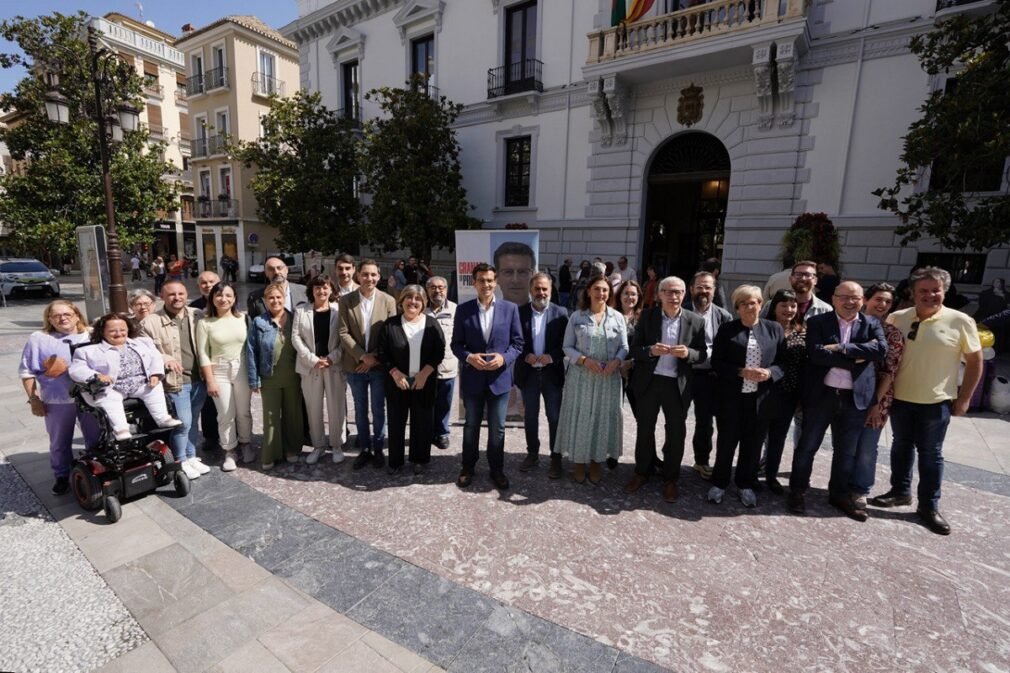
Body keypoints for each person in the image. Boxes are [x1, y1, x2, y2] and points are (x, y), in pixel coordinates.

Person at [868, 266, 983, 535]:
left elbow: (976, 362)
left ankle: (928, 506)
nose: (930, 295)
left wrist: (964, 398)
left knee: (931, 454)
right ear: (912, 292)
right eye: (923, 291)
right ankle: (900, 491)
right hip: (901, 398)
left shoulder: (960, 321)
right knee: (900, 446)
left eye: (936, 290)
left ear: (944, 291)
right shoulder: (897, 318)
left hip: (937, 401)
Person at [786, 282, 887, 519]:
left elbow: (881, 351)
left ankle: (839, 494)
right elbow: (817, 355)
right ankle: (798, 491)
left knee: (846, 451)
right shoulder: (818, 322)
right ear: (833, 298)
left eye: (856, 297)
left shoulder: (872, 323)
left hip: (855, 399)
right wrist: (858, 356)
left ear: (862, 300)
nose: (850, 302)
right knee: (807, 446)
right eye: (845, 297)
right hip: (822, 396)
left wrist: (841, 348)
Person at [624, 276, 707, 501]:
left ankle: (670, 478)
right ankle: (642, 471)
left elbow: (702, 354)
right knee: (644, 429)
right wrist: (651, 350)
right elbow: (634, 350)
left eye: (679, 292)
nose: (674, 296)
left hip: (677, 385)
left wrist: (688, 353)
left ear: (685, 294)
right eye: (669, 292)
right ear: (659, 295)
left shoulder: (695, 321)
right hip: (650, 382)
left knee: (676, 432)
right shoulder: (648, 317)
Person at [708, 286, 784, 507]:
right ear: (737, 307)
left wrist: (770, 373)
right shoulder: (727, 330)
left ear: (761, 304)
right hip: (732, 398)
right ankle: (720, 483)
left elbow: (784, 362)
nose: (750, 307)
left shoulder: (774, 329)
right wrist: (740, 372)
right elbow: (717, 363)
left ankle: (745, 484)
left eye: (754, 302)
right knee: (726, 443)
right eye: (744, 304)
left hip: (761, 399)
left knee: (753, 445)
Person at [450, 263, 524, 489]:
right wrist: (469, 357)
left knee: (497, 428)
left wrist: (504, 358)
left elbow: (518, 343)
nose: (486, 284)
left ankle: (496, 469)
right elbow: (456, 344)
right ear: (474, 283)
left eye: (490, 280)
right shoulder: (463, 310)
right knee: (471, 425)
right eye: (481, 280)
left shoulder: (510, 309)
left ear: (496, 282)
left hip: (499, 380)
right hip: (473, 378)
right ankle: (468, 466)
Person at [19, 301, 101, 495]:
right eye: (56, 315)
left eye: (67, 314)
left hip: (91, 397)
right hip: (57, 400)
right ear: (49, 319)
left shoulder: (91, 334)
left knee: (96, 437)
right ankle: (62, 475)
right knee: (59, 441)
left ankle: (94, 471)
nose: (62, 318)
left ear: (76, 315)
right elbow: (26, 371)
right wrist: (34, 399)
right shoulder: (38, 338)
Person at [556, 275, 627, 484]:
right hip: (582, 377)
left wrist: (617, 361)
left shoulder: (617, 317)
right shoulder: (577, 317)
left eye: (605, 290)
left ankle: (596, 462)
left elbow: (624, 346)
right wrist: (584, 360)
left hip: (608, 378)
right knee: (582, 418)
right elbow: (566, 346)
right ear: (588, 291)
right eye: (597, 289)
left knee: (601, 419)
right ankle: (579, 462)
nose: (601, 293)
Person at [69, 314, 181, 441]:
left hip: (139, 383)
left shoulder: (142, 343)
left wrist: (155, 373)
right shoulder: (87, 351)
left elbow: (155, 357)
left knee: (154, 388)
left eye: (122, 330)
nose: (118, 333)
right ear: (102, 332)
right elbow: (76, 370)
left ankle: (163, 418)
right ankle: (121, 429)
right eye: (112, 331)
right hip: (110, 387)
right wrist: (97, 376)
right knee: (110, 398)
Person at [142, 281, 210, 481]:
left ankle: (191, 456)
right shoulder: (150, 322)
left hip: (199, 379)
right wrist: (165, 359)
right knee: (182, 424)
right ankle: (179, 461)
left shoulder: (197, 314)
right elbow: (145, 352)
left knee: (193, 420)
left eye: (181, 293)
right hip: (176, 381)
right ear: (162, 296)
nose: (177, 297)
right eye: (171, 294)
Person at [377, 285, 445, 474]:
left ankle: (420, 460)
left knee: (422, 422)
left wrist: (424, 374)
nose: (413, 302)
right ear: (401, 301)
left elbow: (439, 352)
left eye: (417, 299)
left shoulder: (431, 324)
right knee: (396, 422)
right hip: (397, 382)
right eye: (409, 297)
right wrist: (395, 373)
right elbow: (383, 353)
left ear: (423, 303)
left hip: (425, 381)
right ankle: (396, 462)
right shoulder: (390, 325)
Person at [339, 259, 397, 469]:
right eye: (365, 274)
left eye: (373, 274)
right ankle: (365, 448)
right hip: (355, 365)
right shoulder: (346, 301)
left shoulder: (389, 301)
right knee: (360, 408)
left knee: (378, 408)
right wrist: (362, 356)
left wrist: (374, 358)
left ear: (378, 276)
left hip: (379, 366)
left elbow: (392, 334)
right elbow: (343, 333)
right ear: (358, 276)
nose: (369, 278)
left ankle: (379, 447)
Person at [852, 283, 904, 511]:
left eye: (887, 302)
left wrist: (875, 404)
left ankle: (861, 489)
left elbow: (890, 371)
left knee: (867, 446)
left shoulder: (892, 334)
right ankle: (842, 485)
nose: (882, 305)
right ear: (866, 300)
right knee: (845, 444)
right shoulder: (851, 326)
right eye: (878, 299)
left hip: (876, 400)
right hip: (847, 396)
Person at [515, 273, 569, 478]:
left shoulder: (561, 313)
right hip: (528, 373)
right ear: (531, 290)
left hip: (551, 374)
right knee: (530, 416)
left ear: (551, 289)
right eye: (537, 288)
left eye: (545, 289)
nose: (541, 293)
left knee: (554, 417)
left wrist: (552, 357)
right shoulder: (518, 313)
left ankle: (555, 458)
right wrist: (525, 355)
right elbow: (514, 341)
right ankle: (532, 453)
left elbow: (566, 343)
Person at [197, 281, 254, 472]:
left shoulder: (243, 319)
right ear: (212, 298)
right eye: (219, 295)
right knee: (225, 413)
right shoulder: (205, 323)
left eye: (228, 295)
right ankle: (229, 450)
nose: (224, 299)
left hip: (242, 368)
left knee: (243, 411)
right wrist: (210, 379)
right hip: (219, 369)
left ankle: (245, 443)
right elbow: (203, 353)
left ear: (235, 298)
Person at [247, 281, 304, 469]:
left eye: (278, 297)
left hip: (293, 376)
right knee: (271, 416)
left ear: (284, 298)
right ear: (265, 300)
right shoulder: (259, 322)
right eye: (271, 298)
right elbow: (251, 350)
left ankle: (291, 449)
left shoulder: (296, 318)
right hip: (269, 377)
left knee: (292, 414)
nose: (275, 301)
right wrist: (254, 378)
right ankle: (271, 453)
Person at [292, 274, 345, 465]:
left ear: (331, 290)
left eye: (325, 287)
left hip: (333, 365)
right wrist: (313, 359)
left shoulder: (340, 311)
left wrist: (332, 358)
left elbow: (344, 339)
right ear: (311, 290)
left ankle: (337, 445)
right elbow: (295, 338)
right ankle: (318, 446)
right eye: (317, 288)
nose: (321, 291)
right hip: (310, 366)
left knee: (336, 406)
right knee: (313, 407)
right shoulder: (301, 311)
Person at [686, 271, 732, 480]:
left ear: (714, 291)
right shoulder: (682, 310)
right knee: (675, 419)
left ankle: (701, 461)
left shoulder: (723, 316)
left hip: (710, 376)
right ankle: (669, 460)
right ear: (691, 289)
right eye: (699, 287)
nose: (703, 291)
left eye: (708, 287)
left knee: (705, 422)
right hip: (684, 373)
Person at [761, 289, 807, 495]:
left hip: (789, 392)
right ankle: (750, 472)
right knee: (758, 434)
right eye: (784, 305)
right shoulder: (763, 328)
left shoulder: (802, 330)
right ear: (774, 307)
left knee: (778, 437)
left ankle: (771, 476)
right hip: (763, 391)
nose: (789, 310)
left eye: (793, 305)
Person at [189, 270, 221, 452]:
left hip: (227, 361)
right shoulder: (194, 308)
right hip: (204, 361)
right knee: (207, 404)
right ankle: (211, 436)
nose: (208, 285)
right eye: (204, 283)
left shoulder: (229, 301)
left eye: (211, 282)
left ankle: (238, 436)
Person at [425, 276, 457, 451]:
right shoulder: (420, 309)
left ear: (446, 289)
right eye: (433, 287)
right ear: (427, 289)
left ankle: (442, 432)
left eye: (441, 287)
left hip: (447, 366)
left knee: (444, 402)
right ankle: (428, 432)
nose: (437, 291)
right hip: (425, 368)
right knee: (427, 402)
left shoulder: (455, 309)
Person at [615, 279, 645, 426]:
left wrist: (630, 363)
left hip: (637, 372)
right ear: (619, 295)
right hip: (613, 372)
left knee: (643, 418)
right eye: (626, 293)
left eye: (633, 294)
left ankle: (645, 449)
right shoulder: (611, 316)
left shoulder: (645, 318)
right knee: (611, 416)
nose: (629, 297)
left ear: (639, 297)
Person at [494, 241, 536, 305]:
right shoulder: (486, 314)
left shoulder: (551, 314)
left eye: (523, 272)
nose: (515, 280)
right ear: (497, 277)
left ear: (533, 276)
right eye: (508, 272)